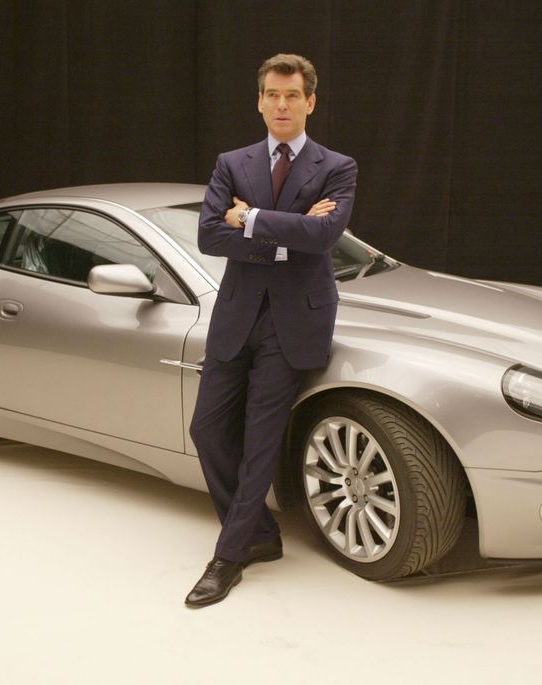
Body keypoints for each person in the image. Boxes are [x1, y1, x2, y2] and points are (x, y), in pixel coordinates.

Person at [185, 53, 357, 607]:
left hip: (294, 323)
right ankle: (258, 532)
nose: (282, 105)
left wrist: (251, 218)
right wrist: (291, 231)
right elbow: (210, 237)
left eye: (292, 96)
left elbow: (325, 236)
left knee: (260, 440)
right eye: (272, 95)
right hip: (236, 316)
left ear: (311, 101)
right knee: (208, 431)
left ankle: (229, 556)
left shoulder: (336, 166)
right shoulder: (232, 163)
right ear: (259, 101)